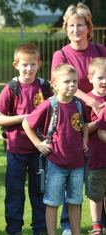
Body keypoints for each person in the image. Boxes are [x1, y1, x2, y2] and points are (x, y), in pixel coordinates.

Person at [51, 4, 106, 234]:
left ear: (88, 27)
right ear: (66, 28)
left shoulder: (100, 49)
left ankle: (99, 223)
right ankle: (67, 225)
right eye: (71, 25)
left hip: (101, 114)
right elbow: (58, 84)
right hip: (72, 118)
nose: (76, 29)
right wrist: (90, 101)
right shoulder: (60, 54)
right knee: (71, 172)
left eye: (80, 25)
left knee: (99, 173)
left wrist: (99, 106)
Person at [22, 63, 90, 235]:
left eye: (75, 81)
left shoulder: (80, 104)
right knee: (52, 202)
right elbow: (26, 123)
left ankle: (76, 232)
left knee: (75, 201)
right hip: (56, 163)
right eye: (67, 81)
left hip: (77, 163)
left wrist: (85, 140)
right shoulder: (49, 105)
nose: (72, 85)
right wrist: (38, 143)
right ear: (54, 85)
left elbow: (86, 123)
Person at [0, 43, 52, 235]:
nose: (29, 69)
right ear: (16, 65)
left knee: (40, 191)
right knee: (15, 192)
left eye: (32, 64)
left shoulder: (44, 87)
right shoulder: (12, 87)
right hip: (16, 150)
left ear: (39, 64)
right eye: (24, 65)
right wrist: (23, 118)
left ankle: (41, 229)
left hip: (40, 150)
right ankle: (14, 229)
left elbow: (54, 112)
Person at [85, 58, 106, 235]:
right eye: (100, 77)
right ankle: (96, 224)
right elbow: (83, 128)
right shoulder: (87, 100)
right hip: (95, 156)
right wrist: (101, 121)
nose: (104, 81)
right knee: (96, 192)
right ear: (90, 78)